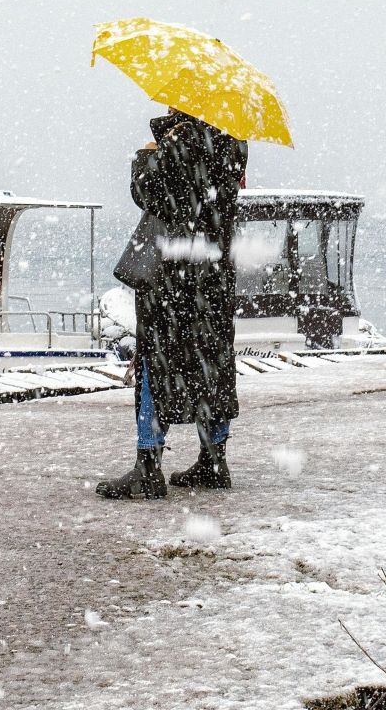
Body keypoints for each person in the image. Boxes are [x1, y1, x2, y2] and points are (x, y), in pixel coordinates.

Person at [96, 108, 247, 500]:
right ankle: (213, 462)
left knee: (155, 366)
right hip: (213, 276)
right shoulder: (233, 141)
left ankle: (148, 468)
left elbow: (145, 194)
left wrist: (147, 154)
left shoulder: (179, 142)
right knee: (212, 364)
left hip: (172, 279)